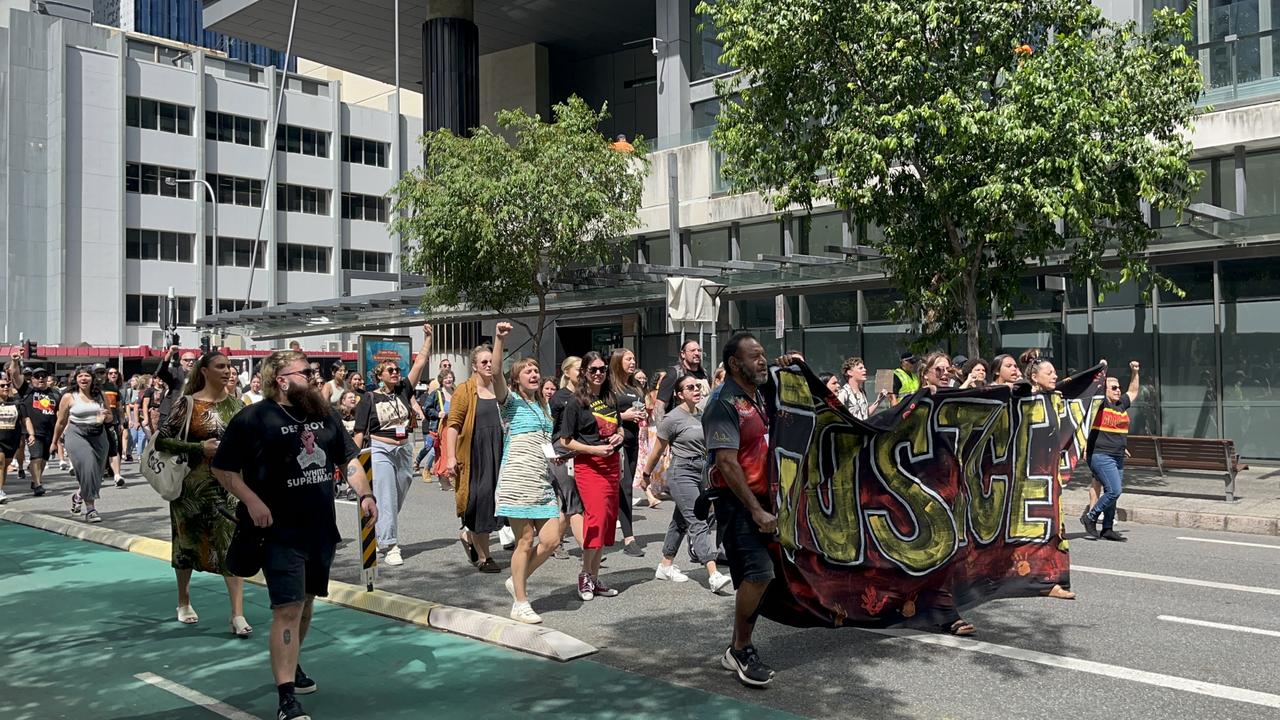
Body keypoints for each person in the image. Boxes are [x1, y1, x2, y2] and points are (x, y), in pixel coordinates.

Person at [210, 350, 375, 720]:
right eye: (306, 372)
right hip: (277, 534)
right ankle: (287, 698)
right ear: (281, 379)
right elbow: (223, 470)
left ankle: (292, 662)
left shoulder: (324, 414)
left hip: (320, 531)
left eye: (314, 371)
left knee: (307, 602)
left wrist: (365, 494)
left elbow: (348, 460)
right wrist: (252, 501)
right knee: (287, 609)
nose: (314, 377)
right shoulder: (253, 419)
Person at [153, 351, 250, 634]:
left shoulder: (237, 405)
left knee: (230, 545)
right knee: (186, 546)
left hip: (229, 489)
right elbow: (162, 441)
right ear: (204, 371)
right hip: (190, 490)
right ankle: (183, 600)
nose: (227, 371)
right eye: (220, 366)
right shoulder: (187, 404)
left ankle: (237, 614)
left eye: (229, 366)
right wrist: (199, 448)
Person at [703, 332, 776, 687]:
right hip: (737, 502)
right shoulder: (723, 403)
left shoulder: (756, 395)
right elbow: (727, 463)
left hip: (762, 499)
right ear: (735, 363)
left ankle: (738, 645)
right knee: (758, 573)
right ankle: (741, 648)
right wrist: (756, 510)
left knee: (762, 576)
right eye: (755, 356)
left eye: (764, 355)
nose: (763, 361)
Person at [492, 331, 562, 624]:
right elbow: (495, 371)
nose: (534, 374)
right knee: (526, 539)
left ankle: (517, 578)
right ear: (516, 379)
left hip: (540, 480)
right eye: (527, 371)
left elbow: (543, 442)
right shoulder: (509, 402)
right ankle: (520, 602)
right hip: (516, 480)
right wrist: (499, 340)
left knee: (552, 539)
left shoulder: (543, 406)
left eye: (535, 370)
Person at [642, 373, 731, 593]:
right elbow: (657, 451)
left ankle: (665, 565)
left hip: (701, 471)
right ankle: (713, 573)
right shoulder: (672, 419)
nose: (696, 390)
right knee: (698, 521)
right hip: (682, 472)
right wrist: (645, 475)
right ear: (679, 394)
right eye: (690, 387)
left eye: (698, 386)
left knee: (680, 520)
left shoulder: (702, 415)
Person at [352, 325, 432, 567]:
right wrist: (353, 460)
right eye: (391, 370)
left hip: (404, 448)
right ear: (380, 375)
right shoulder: (369, 398)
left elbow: (420, 365)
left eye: (398, 369)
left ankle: (380, 529)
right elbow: (358, 431)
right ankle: (390, 544)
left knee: (398, 493)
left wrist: (428, 339)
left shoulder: (402, 390)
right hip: (380, 449)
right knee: (386, 495)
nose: (396, 373)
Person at [558, 351, 623, 601]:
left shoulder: (609, 397)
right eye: (593, 369)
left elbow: (618, 426)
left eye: (602, 369)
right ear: (584, 372)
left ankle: (595, 579)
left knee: (606, 522)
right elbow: (566, 440)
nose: (598, 373)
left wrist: (619, 435)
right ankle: (585, 575)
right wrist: (593, 449)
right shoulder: (576, 401)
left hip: (611, 465)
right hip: (589, 467)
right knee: (595, 520)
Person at [445, 336, 506, 573]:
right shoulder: (464, 390)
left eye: (492, 361)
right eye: (484, 362)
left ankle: (469, 537)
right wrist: (451, 457)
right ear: (474, 366)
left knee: (495, 502)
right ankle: (484, 556)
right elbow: (453, 425)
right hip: (474, 455)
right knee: (479, 502)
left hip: (498, 451)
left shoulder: (500, 388)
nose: (489, 365)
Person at [1025, 358, 1079, 600]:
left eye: (1055, 372)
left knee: (1054, 529)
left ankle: (1051, 580)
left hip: (1049, 478)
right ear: (1035, 377)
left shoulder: (1055, 399)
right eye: (1049, 372)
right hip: (1026, 479)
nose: (1055, 376)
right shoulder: (1024, 399)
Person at [1082, 360, 1141, 542]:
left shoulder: (1121, 404)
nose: (1118, 390)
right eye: (1114, 387)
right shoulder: (1100, 405)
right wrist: (1102, 370)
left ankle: (1107, 528)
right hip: (1100, 454)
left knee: (1111, 493)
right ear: (1105, 390)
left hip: (1117, 455)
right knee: (1114, 490)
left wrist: (1135, 372)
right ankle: (1090, 517)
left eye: (1118, 387)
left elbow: (1133, 391)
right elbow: (1094, 389)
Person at [51, 367, 112, 522]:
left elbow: (111, 417)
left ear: (92, 379)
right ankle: (90, 509)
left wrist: (105, 417)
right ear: (75, 379)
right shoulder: (69, 397)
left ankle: (78, 495)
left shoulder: (100, 395)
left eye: (87, 376)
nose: (83, 379)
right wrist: (54, 442)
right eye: (80, 376)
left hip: (98, 435)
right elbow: (61, 421)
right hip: (77, 434)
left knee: (97, 475)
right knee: (88, 466)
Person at [608, 348, 646, 557]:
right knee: (625, 488)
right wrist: (624, 415)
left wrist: (639, 414)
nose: (633, 362)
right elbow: (601, 415)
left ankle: (608, 528)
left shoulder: (635, 385)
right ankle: (629, 538)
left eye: (634, 358)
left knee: (625, 487)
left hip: (634, 441)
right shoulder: (610, 386)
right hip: (616, 442)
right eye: (628, 359)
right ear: (617, 362)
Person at [548, 356, 583, 560]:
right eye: (579, 369)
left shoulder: (586, 396)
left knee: (566, 501)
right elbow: (548, 428)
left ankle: (554, 541)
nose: (582, 372)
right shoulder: (559, 398)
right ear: (567, 372)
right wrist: (550, 454)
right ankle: (585, 547)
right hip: (561, 451)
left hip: (582, 450)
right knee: (571, 498)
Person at [18, 367, 59, 497]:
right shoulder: (27, 391)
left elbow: (61, 413)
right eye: (37, 376)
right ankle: (37, 484)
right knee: (36, 456)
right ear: (32, 379)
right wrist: (15, 361)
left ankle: (36, 478)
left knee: (44, 459)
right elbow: (14, 374)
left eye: (44, 376)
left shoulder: (55, 394)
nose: (41, 378)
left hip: (49, 431)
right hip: (33, 432)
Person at [414, 370, 454, 480]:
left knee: (451, 451)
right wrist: (437, 414)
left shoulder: (456, 392)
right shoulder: (437, 393)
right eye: (446, 378)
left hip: (453, 425)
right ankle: (439, 474)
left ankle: (449, 474)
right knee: (437, 450)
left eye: (450, 377)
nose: (448, 380)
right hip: (440, 426)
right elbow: (427, 408)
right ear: (441, 380)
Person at [656, 340, 711, 413]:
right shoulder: (674, 374)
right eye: (692, 350)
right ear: (683, 354)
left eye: (699, 350)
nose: (697, 353)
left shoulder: (705, 374)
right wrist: (661, 424)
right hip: (680, 421)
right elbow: (659, 405)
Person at [155, 346, 196, 424]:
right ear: (181, 362)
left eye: (193, 360)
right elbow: (161, 371)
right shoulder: (175, 372)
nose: (191, 362)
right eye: (187, 360)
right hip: (170, 412)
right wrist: (170, 353)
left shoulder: (199, 376)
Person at [0, 377, 21, 504]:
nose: (6, 388)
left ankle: (1, 487)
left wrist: (30, 434)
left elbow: (25, 419)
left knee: (5, 465)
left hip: (11, 439)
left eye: (7, 385)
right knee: (0, 463)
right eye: (2, 386)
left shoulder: (15, 402)